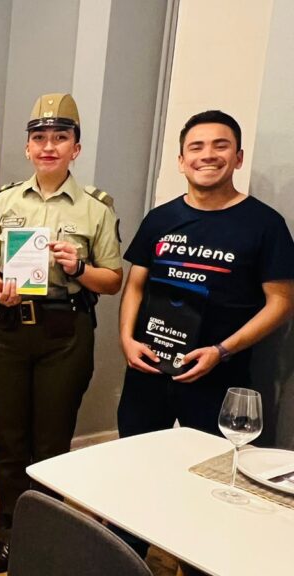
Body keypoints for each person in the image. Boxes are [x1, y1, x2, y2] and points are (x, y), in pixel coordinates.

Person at [117, 111, 294, 556]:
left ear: (238, 157)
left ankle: (192, 559)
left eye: (220, 145)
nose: (207, 155)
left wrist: (222, 350)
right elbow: (135, 285)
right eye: (196, 147)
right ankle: (127, 556)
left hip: (218, 377)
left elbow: (281, 302)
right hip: (149, 369)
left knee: (210, 482)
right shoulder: (160, 219)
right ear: (181, 160)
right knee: (135, 471)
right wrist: (126, 339)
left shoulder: (265, 224)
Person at [0, 93, 123, 573]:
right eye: (40, 137)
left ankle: (47, 536)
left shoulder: (95, 209)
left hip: (65, 333)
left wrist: (78, 267)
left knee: (52, 442)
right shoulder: (4, 201)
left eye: (60, 137)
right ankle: (11, 531)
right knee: (9, 438)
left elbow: (112, 281)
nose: (49, 146)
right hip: (9, 330)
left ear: (76, 148)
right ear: (28, 147)